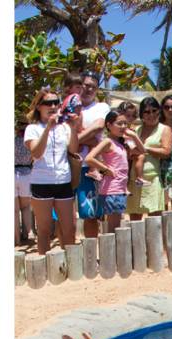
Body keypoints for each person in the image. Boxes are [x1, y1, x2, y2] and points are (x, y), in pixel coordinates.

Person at [24, 87, 80, 255]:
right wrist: (48, 128)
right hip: (41, 182)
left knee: (68, 228)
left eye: (56, 102)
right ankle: (44, 269)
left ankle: (70, 267)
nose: (54, 106)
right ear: (39, 106)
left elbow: (74, 150)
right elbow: (36, 153)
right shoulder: (32, 129)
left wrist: (74, 127)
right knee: (44, 230)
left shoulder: (64, 128)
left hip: (63, 181)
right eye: (49, 102)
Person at [84, 110, 146, 235]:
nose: (123, 127)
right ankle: (111, 253)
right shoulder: (107, 142)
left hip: (120, 189)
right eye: (119, 124)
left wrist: (133, 136)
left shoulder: (122, 143)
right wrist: (106, 169)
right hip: (112, 190)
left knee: (116, 227)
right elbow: (89, 158)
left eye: (125, 123)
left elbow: (142, 150)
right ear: (109, 125)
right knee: (113, 229)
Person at [125, 97, 172, 222]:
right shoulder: (136, 130)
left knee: (156, 221)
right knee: (134, 221)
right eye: (147, 112)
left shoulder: (164, 129)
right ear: (141, 114)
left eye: (154, 110)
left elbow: (166, 152)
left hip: (153, 179)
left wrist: (144, 148)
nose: (151, 114)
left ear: (159, 111)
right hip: (134, 179)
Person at [74, 71, 111, 234]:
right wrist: (89, 140)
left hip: (89, 167)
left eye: (93, 87)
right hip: (68, 166)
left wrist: (72, 140)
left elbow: (98, 127)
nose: (89, 89)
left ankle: (93, 253)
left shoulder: (102, 107)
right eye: (86, 85)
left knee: (91, 213)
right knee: (66, 215)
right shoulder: (68, 105)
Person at [15, 121, 35, 245]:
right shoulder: (29, 142)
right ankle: (27, 234)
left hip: (13, 172)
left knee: (14, 210)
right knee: (26, 208)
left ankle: (16, 239)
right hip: (27, 173)